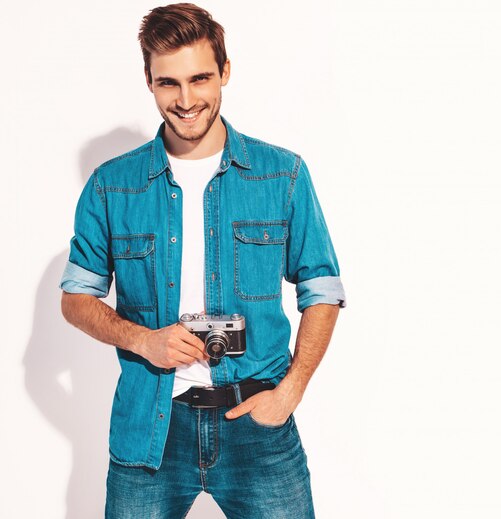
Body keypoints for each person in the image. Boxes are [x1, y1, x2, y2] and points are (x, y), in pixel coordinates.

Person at [59, 3, 346, 518]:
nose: (186, 100)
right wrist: (144, 340)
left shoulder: (282, 175)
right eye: (169, 83)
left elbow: (322, 290)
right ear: (148, 81)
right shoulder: (111, 185)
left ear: (225, 73)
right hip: (150, 426)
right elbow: (76, 299)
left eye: (200, 78)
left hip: (258, 425)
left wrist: (291, 391)